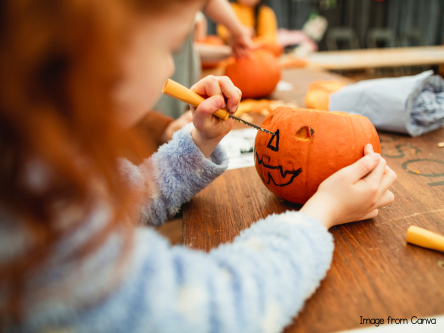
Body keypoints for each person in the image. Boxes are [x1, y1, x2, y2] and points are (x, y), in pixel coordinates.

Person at [0, 1, 396, 332]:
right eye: (170, 47)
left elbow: (128, 196)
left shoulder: (41, 163)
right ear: (97, 53)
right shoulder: (41, 219)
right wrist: (319, 215)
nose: (172, 69)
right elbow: (213, 309)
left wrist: (199, 142)